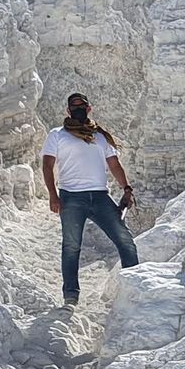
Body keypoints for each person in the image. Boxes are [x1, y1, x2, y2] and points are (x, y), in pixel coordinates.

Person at [41, 92, 139, 307]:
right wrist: (52, 195)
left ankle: (134, 286)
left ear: (89, 109)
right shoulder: (57, 135)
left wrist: (126, 188)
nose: (78, 109)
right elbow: (47, 165)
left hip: (100, 196)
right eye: (74, 106)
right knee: (71, 246)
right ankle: (70, 295)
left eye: (81, 106)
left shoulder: (100, 136)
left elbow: (114, 165)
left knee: (125, 240)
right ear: (67, 111)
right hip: (71, 197)